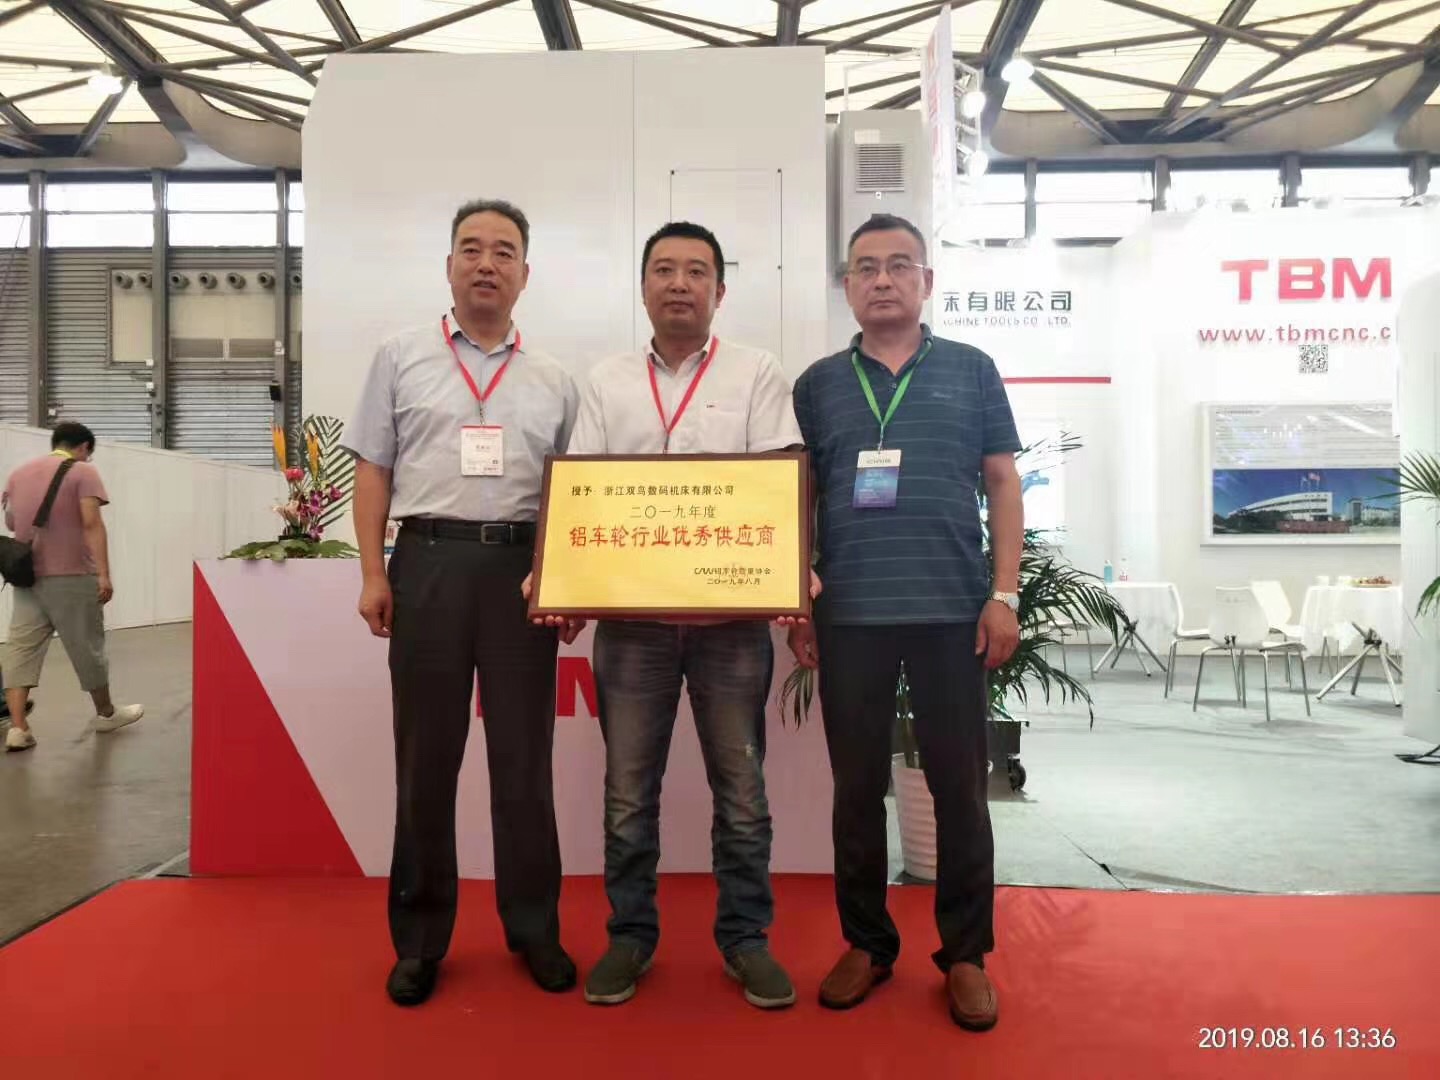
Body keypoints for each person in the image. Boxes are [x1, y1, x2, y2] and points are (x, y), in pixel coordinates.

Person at [548, 221, 812, 1010]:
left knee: (743, 792)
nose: (678, 283)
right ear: (643, 288)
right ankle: (630, 936)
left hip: (732, 623)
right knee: (629, 794)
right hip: (633, 627)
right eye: (663, 269)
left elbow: (780, 483)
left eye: (696, 271)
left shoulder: (756, 372)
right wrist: (564, 585)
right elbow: (583, 491)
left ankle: (746, 939)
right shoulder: (607, 382)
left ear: (719, 291)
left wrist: (791, 574)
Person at [342, 198, 583, 1007]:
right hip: (429, 563)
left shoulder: (553, 378)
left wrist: (561, 580)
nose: (487, 263)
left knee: (524, 764)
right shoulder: (401, 356)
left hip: (520, 575)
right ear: (449, 265)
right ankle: (418, 941)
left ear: (525, 273)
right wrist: (373, 573)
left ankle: (535, 928)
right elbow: (373, 469)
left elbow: (571, 495)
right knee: (425, 762)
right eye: (471, 249)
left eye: (504, 251)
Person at [788, 213, 1023, 1032]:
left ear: (927, 280)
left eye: (898, 265)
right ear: (846, 285)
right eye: (865, 267)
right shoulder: (818, 385)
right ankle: (867, 943)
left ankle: (965, 954)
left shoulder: (972, 370)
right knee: (856, 790)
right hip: (849, 613)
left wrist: (1004, 595)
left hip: (952, 613)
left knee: (960, 789)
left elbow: (1002, 482)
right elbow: (799, 500)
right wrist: (798, 599)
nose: (881, 279)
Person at [2, 422, 144, 753]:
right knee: (87, 646)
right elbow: (92, 523)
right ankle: (106, 714)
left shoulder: (18, 474)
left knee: (21, 650)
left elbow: (11, 522)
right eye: (88, 453)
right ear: (83, 447)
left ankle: (19, 728)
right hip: (73, 575)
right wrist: (104, 574)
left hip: (27, 578)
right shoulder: (83, 472)